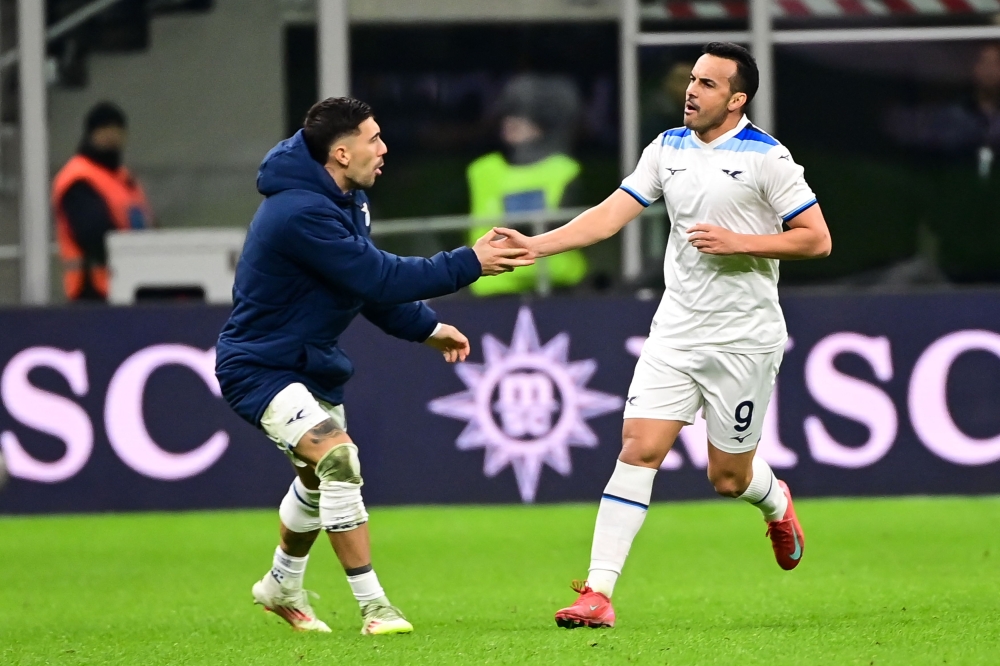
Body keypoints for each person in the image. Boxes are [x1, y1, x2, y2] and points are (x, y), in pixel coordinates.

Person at [493, 43, 832, 628]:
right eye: (691, 80)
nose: (691, 91)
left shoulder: (767, 158)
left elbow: (817, 239)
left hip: (743, 340)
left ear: (737, 98)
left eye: (706, 83)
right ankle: (598, 593)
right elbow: (609, 214)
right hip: (675, 330)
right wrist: (536, 246)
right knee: (639, 448)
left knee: (728, 477)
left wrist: (741, 241)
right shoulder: (667, 148)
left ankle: (776, 504)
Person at [215, 97, 531, 636]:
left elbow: (365, 287)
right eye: (374, 139)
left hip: (312, 368)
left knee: (316, 485)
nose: (384, 149)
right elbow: (380, 276)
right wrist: (468, 263)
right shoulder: (300, 212)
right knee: (338, 459)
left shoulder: (346, 201)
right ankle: (375, 607)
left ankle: (280, 584)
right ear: (341, 153)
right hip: (260, 366)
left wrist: (426, 328)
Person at [466, 74, 588, 296]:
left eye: (522, 118)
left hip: (557, 288)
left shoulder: (564, 170)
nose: (510, 122)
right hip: (491, 288)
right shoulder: (481, 170)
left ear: (544, 125)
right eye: (508, 115)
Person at [52, 102, 152, 301]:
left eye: (117, 129)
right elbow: (95, 235)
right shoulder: (78, 179)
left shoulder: (126, 179)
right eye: (104, 129)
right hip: (93, 292)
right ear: (91, 134)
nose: (111, 136)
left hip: (133, 287)